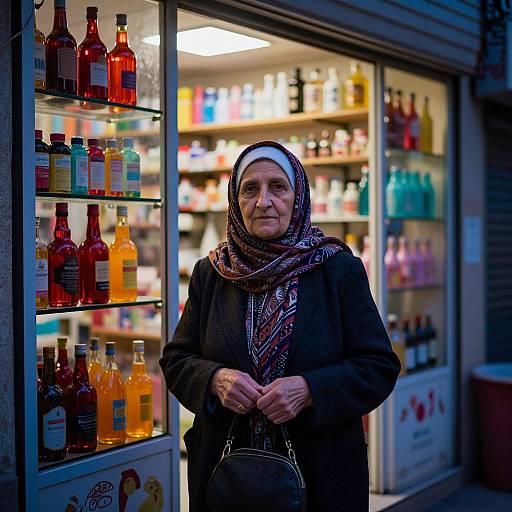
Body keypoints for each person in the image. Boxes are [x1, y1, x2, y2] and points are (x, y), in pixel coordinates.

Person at [160, 140, 401, 511]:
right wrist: (215, 379)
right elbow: (177, 359)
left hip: (320, 473)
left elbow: (379, 366)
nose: (263, 201)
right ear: (235, 201)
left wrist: (309, 389)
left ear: (298, 195)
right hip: (225, 473)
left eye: (278, 187)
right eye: (249, 189)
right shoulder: (211, 273)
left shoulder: (337, 269)